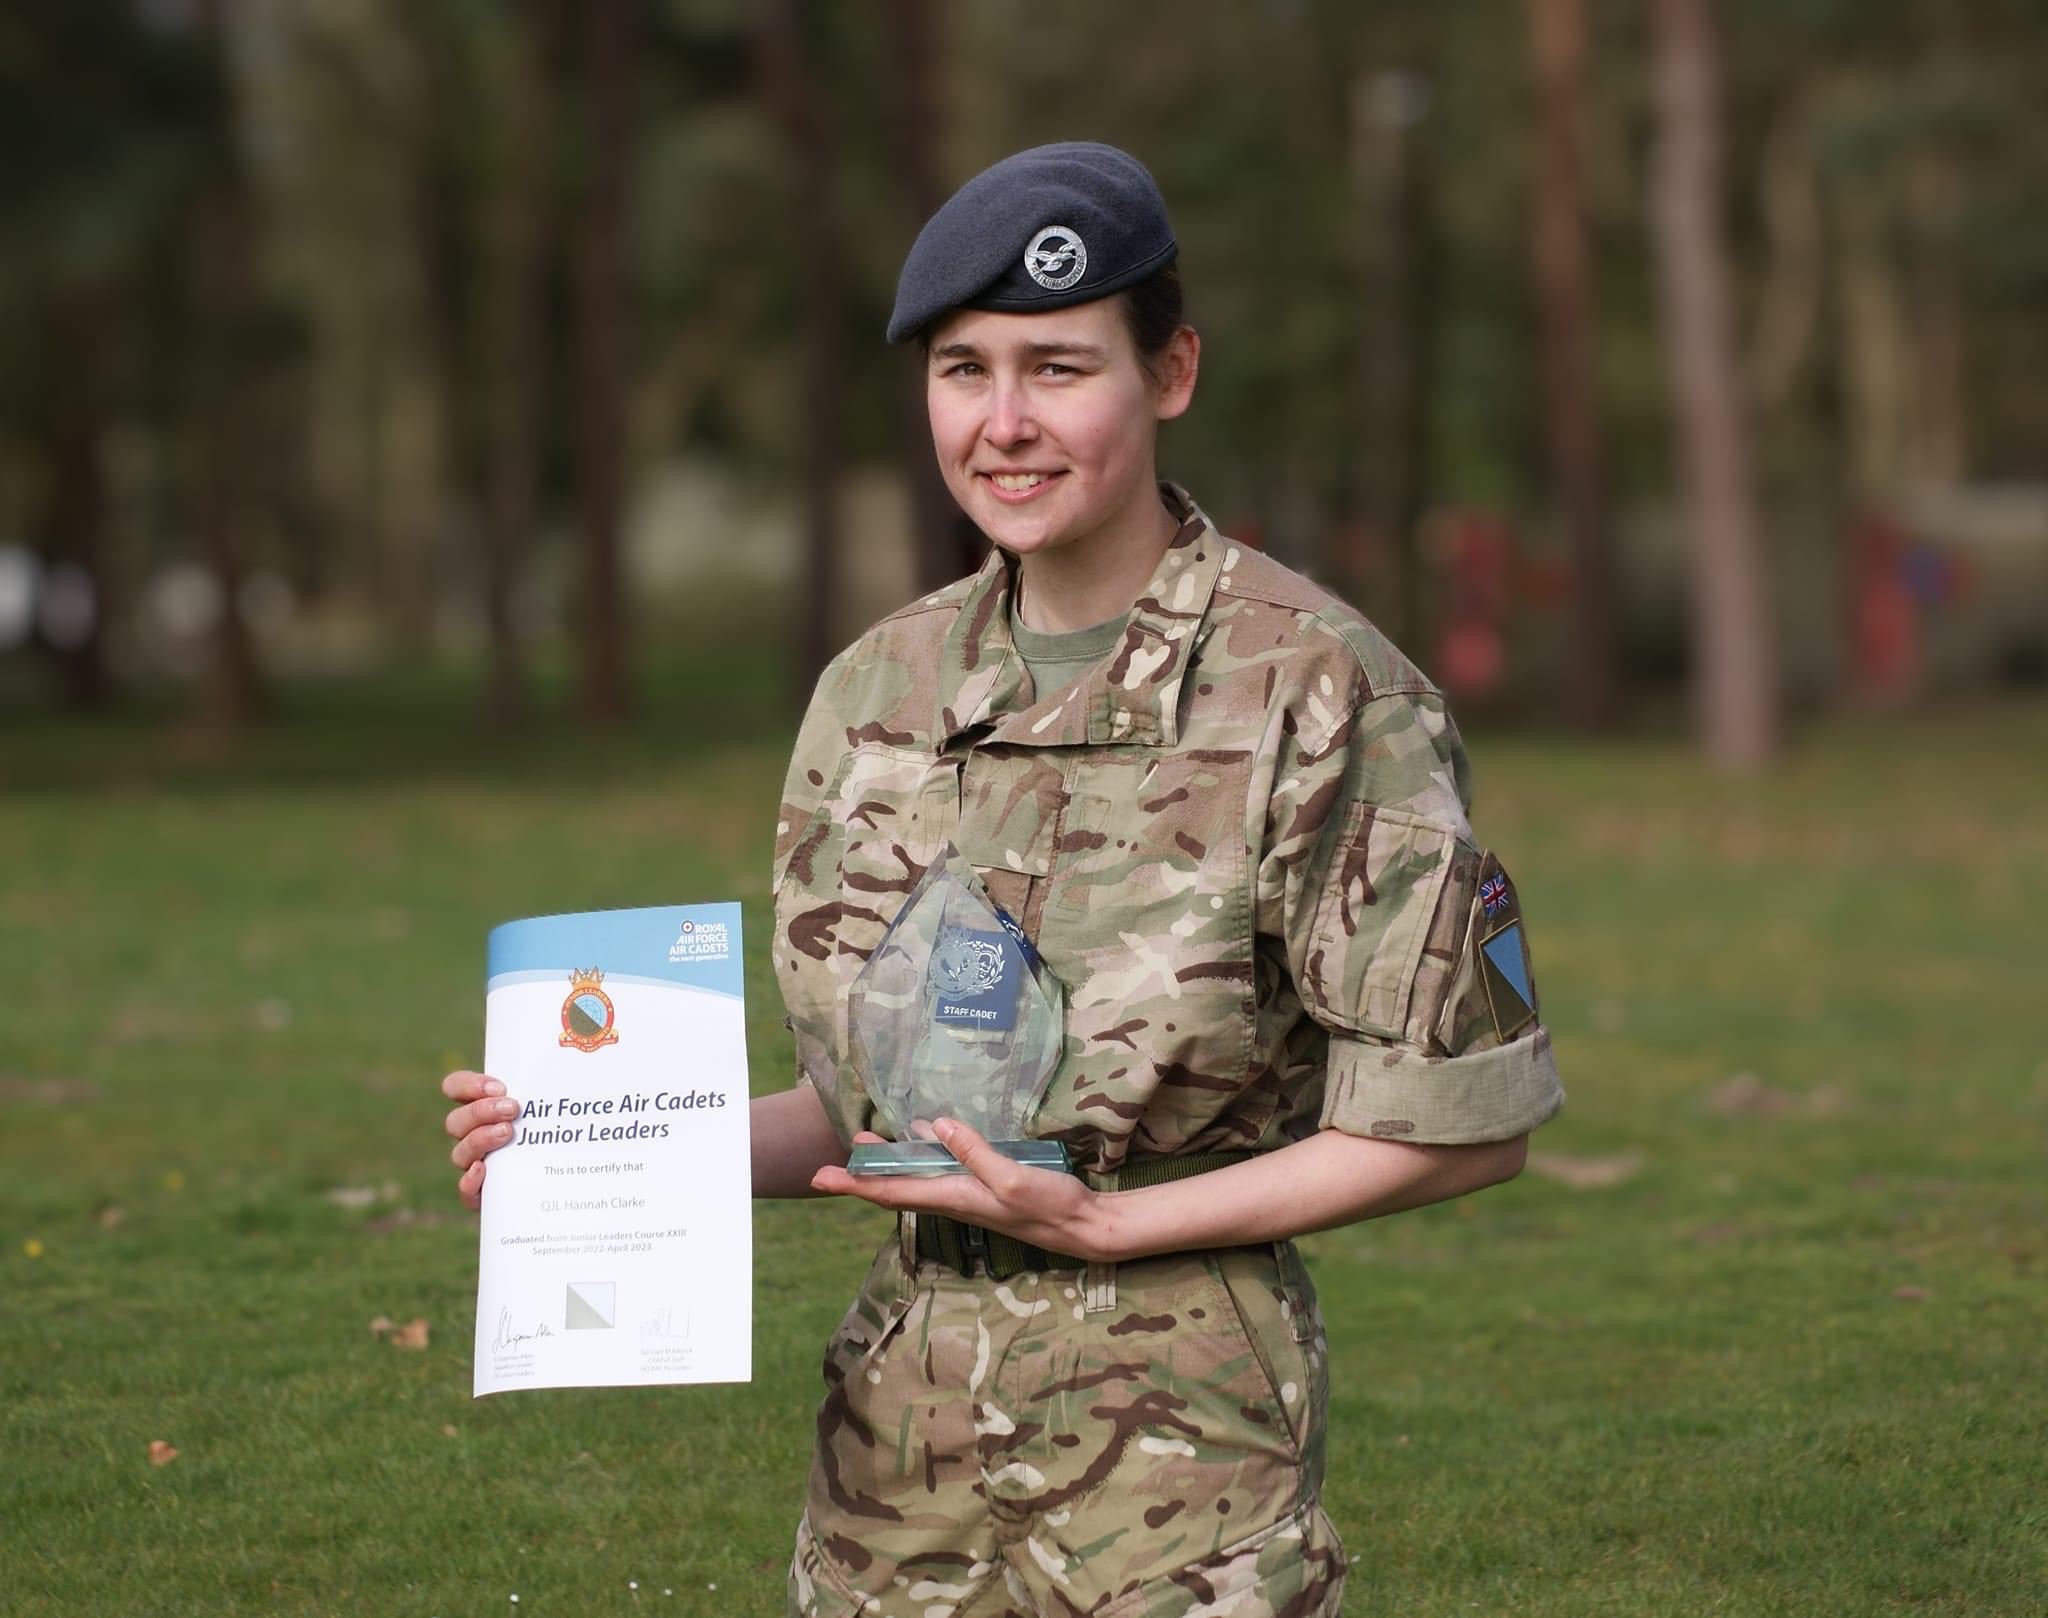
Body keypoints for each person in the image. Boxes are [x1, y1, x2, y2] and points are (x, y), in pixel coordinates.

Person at [443, 141, 1564, 1618]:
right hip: (892, 1488)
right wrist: (602, 1139)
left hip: (1181, 1485)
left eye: (1058, 367)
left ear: (1171, 374)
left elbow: (1465, 1122)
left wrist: (1115, 1223)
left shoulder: (1322, 692)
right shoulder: (878, 692)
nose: (1006, 424)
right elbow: (867, 1118)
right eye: (964, 371)